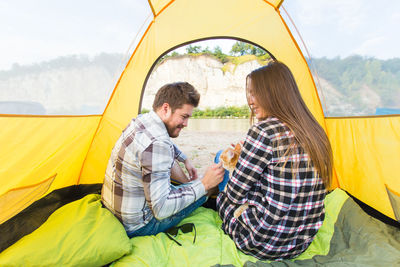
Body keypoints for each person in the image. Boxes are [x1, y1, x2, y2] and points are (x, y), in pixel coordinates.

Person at [216, 61, 333, 260]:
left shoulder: (263, 131)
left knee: (221, 169)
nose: (250, 101)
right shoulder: (314, 130)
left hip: (262, 241)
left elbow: (235, 194)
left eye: (255, 93)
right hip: (300, 242)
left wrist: (226, 188)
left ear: (274, 94)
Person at [102, 82, 224, 238]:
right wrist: (205, 184)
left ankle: (191, 187)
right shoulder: (158, 144)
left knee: (173, 165)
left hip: (117, 210)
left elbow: (160, 143)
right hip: (139, 225)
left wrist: (184, 158)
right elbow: (161, 210)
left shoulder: (141, 121)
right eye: (184, 116)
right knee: (210, 185)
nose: (186, 124)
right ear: (166, 108)